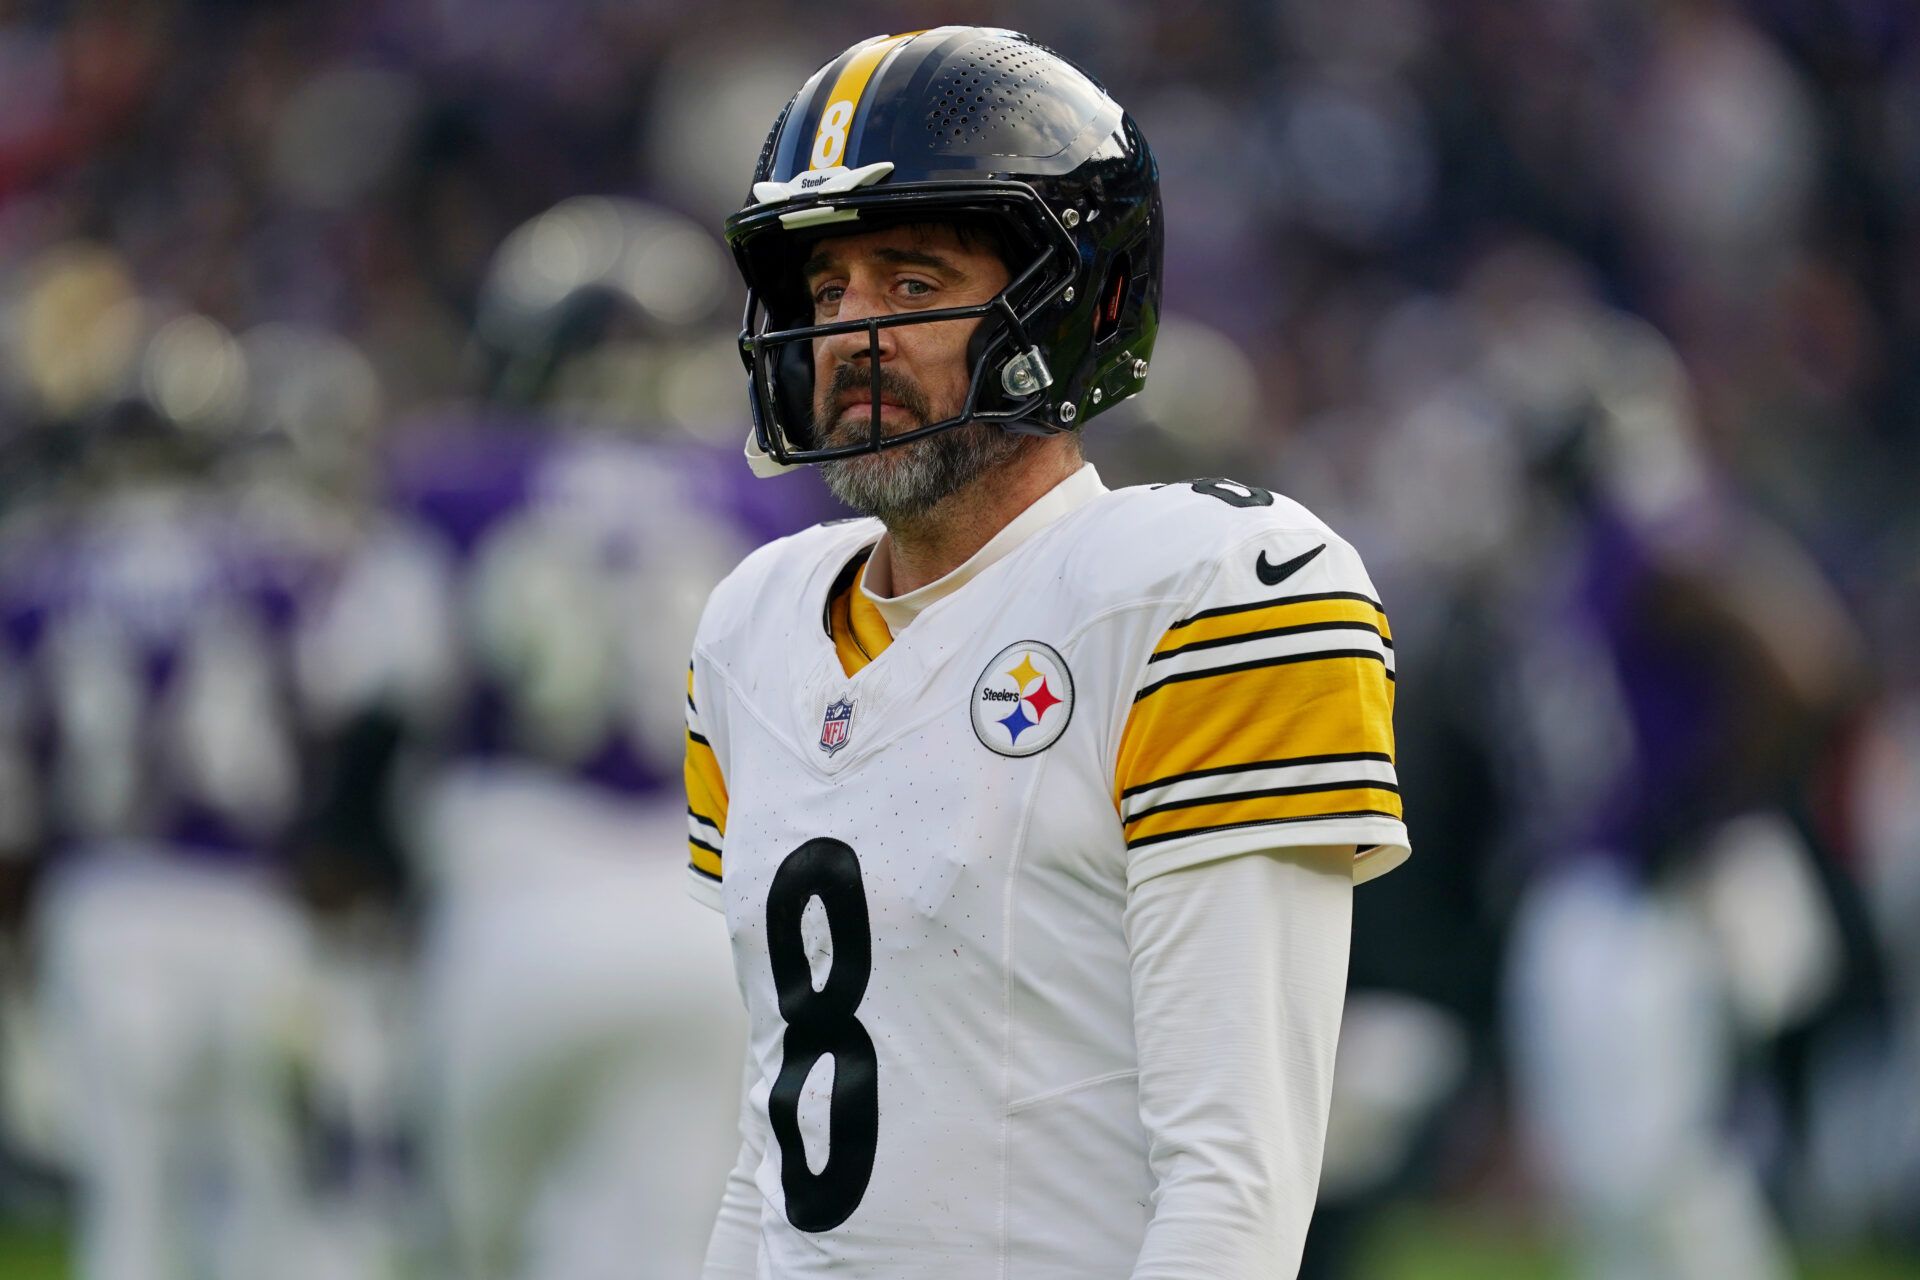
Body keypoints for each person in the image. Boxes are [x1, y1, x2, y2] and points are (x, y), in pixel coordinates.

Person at [684, 28, 1410, 1278]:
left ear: (1071, 299)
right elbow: (769, 1151)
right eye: (825, 292)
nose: (851, 332)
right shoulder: (755, 626)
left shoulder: (1191, 591)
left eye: (912, 284)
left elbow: (1234, 1179)